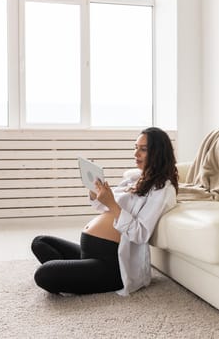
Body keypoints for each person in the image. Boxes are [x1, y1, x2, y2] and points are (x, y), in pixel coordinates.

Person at [31, 127, 178, 296]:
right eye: (135, 147)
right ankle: (78, 276)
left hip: (112, 264)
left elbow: (141, 234)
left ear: (158, 153)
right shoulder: (135, 178)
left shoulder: (163, 189)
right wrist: (96, 194)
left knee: (44, 274)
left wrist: (112, 203)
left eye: (143, 149)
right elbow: (104, 207)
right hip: (90, 253)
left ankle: (78, 277)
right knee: (40, 242)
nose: (136, 153)